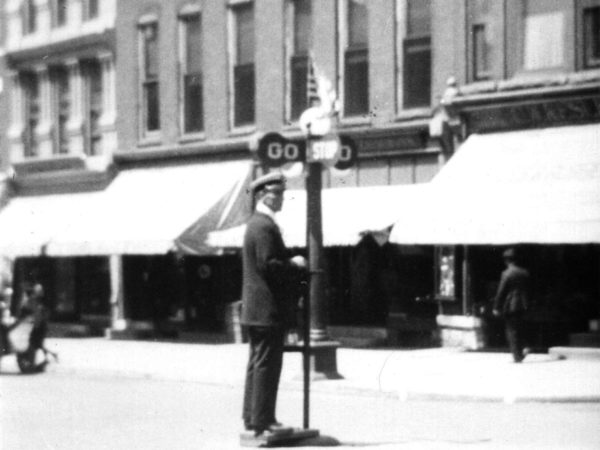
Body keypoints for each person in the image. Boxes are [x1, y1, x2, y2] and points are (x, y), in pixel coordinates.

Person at [240, 172, 306, 438]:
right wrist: (295, 264)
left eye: (281, 193)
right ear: (261, 195)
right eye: (275, 193)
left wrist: (288, 257)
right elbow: (270, 264)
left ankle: (252, 416)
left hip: (255, 310)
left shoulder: (255, 224)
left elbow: (267, 259)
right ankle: (264, 420)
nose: (280, 199)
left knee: (257, 363)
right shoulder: (265, 225)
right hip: (267, 309)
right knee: (267, 364)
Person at [493, 248, 531, 363]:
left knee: (511, 330)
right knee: (520, 327)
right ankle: (524, 347)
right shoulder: (525, 272)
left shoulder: (506, 273)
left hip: (511, 305)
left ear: (506, 260)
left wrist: (496, 307)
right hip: (524, 304)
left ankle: (517, 356)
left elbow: (501, 291)